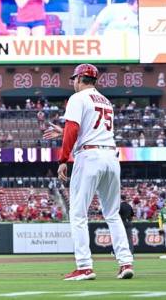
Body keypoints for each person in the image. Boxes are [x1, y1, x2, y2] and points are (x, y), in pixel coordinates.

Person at [44, 63, 133, 280]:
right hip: (111, 156)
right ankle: (125, 262)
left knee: (78, 214)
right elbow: (92, 129)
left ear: (79, 79)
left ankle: (84, 266)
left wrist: (63, 159)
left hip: (90, 156)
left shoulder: (78, 98)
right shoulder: (106, 101)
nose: (73, 82)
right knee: (112, 214)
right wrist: (64, 132)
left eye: (74, 79)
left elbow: (74, 129)